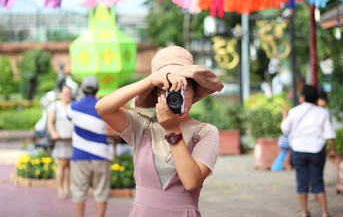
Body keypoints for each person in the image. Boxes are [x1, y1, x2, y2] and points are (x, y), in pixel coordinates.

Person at [95, 46, 224, 216]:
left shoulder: (205, 132)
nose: (175, 94)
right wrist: (149, 81)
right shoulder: (142, 127)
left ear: (194, 90)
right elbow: (102, 108)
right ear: (156, 93)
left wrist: (172, 130)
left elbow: (191, 181)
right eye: (167, 87)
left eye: (183, 87)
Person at [281, 85, 336, 217]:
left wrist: (284, 115)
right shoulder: (323, 112)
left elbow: (284, 129)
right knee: (318, 181)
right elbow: (329, 134)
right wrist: (333, 150)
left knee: (302, 181)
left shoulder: (294, 111)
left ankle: (304, 212)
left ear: (303, 97)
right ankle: (324, 212)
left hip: (298, 150)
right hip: (317, 150)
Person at [67, 76, 112, 217]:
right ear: (97, 89)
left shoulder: (73, 106)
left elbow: (68, 117)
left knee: (79, 190)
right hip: (101, 154)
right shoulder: (103, 107)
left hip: (80, 155)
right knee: (101, 190)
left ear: (81, 89)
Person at [47, 84, 73, 199]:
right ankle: (60, 188)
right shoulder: (55, 106)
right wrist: (53, 133)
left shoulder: (72, 106)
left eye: (70, 93)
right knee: (62, 163)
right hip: (60, 139)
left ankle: (68, 188)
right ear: (61, 94)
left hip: (71, 139)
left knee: (69, 165)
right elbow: (50, 122)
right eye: (66, 93)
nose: (68, 95)